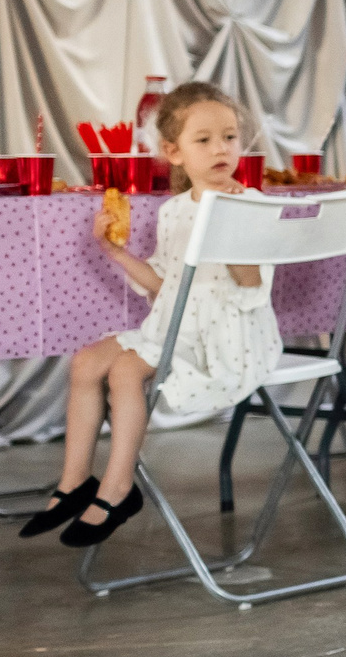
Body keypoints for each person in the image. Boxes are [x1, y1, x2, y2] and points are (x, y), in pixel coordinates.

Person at [21, 83, 282, 548]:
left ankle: (118, 489)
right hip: (178, 324)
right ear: (173, 151)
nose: (221, 148)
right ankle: (73, 483)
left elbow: (251, 287)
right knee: (85, 361)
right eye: (203, 140)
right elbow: (167, 286)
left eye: (229, 137)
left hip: (227, 339)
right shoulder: (174, 211)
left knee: (124, 371)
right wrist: (113, 252)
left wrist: (228, 228)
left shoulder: (250, 206)